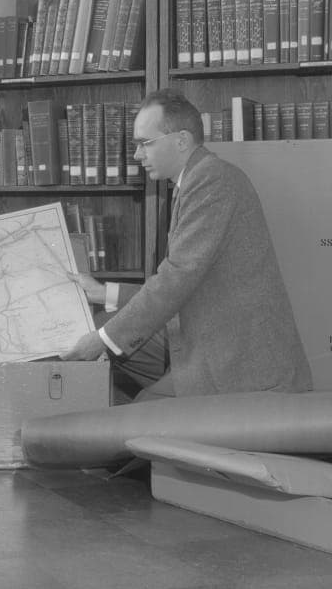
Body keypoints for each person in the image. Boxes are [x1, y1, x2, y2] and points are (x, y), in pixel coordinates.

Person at [62, 88, 312, 401]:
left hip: (240, 366)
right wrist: (104, 293)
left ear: (181, 140)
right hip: (211, 339)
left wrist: (102, 340)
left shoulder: (212, 180)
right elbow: (181, 281)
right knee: (105, 332)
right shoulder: (193, 180)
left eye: (145, 143)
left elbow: (176, 279)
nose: (137, 155)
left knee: (139, 408)